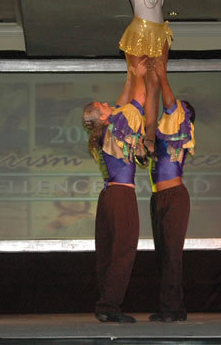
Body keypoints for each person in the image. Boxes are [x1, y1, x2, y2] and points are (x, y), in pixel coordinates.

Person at [109, 0, 184, 158]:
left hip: (160, 35)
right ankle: (129, 129)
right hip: (139, 32)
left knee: (155, 83)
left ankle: (150, 136)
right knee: (139, 83)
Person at [82, 60, 147, 323]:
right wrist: (141, 76)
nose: (109, 104)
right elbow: (138, 98)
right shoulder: (118, 126)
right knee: (123, 249)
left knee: (108, 252)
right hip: (121, 195)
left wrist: (132, 70)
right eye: (104, 106)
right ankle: (110, 305)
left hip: (107, 196)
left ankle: (105, 304)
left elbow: (124, 98)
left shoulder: (105, 130)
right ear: (102, 116)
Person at [148, 58, 195, 322]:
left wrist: (163, 77)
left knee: (172, 254)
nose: (173, 110)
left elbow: (169, 104)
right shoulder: (163, 135)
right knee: (163, 255)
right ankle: (172, 308)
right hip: (158, 196)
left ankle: (172, 309)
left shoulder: (183, 128)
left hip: (175, 197)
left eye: (179, 109)